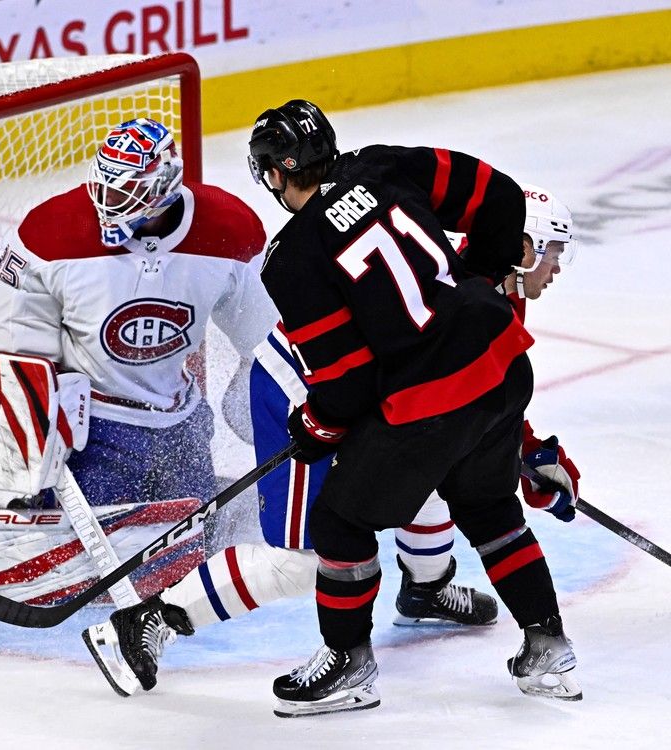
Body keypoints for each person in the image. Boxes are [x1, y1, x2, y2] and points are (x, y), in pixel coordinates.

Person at [80, 185, 578, 698]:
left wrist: (527, 450)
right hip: (299, 390)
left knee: (432, 469)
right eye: (554, 252)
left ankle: (425, 589)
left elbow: (472, 400)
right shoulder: (469, 285)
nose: (558, 268)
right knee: (304, 557)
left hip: (361, 388)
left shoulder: (496, 288)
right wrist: (516, 453)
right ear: (524, 247)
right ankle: (147, 623)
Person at [0, 117, 278, 620]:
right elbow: (13, 341)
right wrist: (39, 422)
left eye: (125, 197)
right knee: (97, 556)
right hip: (97, 430)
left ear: (164, 190)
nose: (107, 208)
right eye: (105, 189)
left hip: (180, 421)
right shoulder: (50, 233)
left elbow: (268, 336)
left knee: (192, 547)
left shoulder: (229, 229)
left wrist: (259, 405)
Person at [242, 100, 582, 717]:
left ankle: (348, 665)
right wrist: (472, 285)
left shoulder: (291, 257)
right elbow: (502, 198)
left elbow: (347, 380)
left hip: (432, 397)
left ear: (278, 172)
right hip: (503, 362)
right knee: (488, 505)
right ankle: (547, 647)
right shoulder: (383, 166)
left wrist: (316, 427)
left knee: (341, 525)